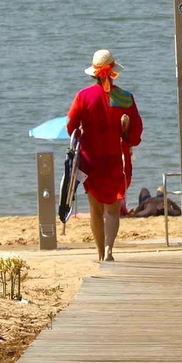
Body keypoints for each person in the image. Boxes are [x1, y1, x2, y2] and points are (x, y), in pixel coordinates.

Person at [66, 49, 142, 262]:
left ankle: (100, 253)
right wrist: (126, 136)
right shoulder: (125, 97)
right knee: (113, 209)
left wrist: (82, 130)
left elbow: (71, 126)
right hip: (117, 159)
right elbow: (135, 134)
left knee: (95, 209)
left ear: (93, 73)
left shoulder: (83, 96)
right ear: (113, 71)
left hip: (91, 160)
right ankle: (109, 250)